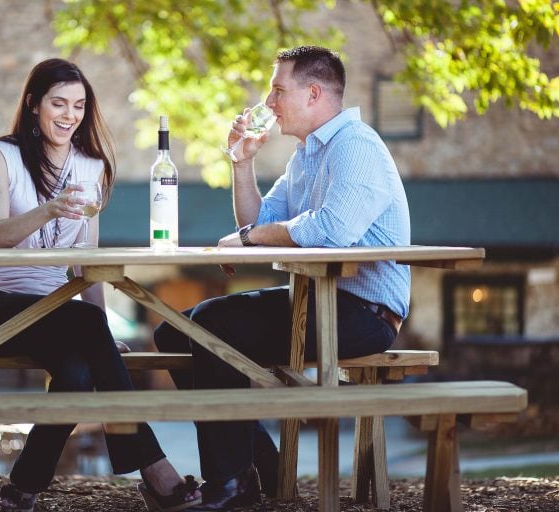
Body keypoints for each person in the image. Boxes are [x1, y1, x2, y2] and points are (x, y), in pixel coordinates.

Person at [154, 45, 411, 510]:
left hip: (362, 313)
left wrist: (251, 239)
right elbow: (258, 221)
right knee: (174, 330)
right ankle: (265, 469)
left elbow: (331, 230)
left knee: (209, 322)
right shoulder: (306, 155)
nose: (268, 103)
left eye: (277, 90)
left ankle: (232, 484)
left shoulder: (355, 145)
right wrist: (243, 162)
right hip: (315, 305)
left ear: (313, 93)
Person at [0, 58, 201, 512]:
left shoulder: (92, 167)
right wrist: (50, 208)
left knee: (79, 371)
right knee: (83, 336)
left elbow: (87, 266)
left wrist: (101, 336)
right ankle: (153, 467)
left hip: (53, 313)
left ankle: (21, 489)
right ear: (33, 105)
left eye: (79, 106)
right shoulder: (0, 155)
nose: (69, 115)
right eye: (58, 103)